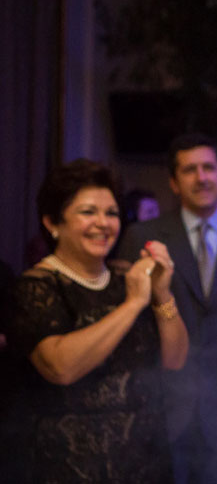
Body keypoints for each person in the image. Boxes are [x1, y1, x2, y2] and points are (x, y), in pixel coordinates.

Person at [3, 158, 188, 483]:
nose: (103, 223)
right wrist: (133, 304)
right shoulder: (35, 286)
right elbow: (60, 367)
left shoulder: (127, 276)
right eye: (88, 212)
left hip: (146, 460)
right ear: (52, 222)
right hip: (72, 466)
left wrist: (162, 294)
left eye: (111, 213)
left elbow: (175, 360)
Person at [117, 134, 217, 484]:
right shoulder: (141, 237)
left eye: (208, 168)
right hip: (162, 404)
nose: (201, 177)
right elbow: (130, 324)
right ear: (173, 181)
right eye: (189, 170)